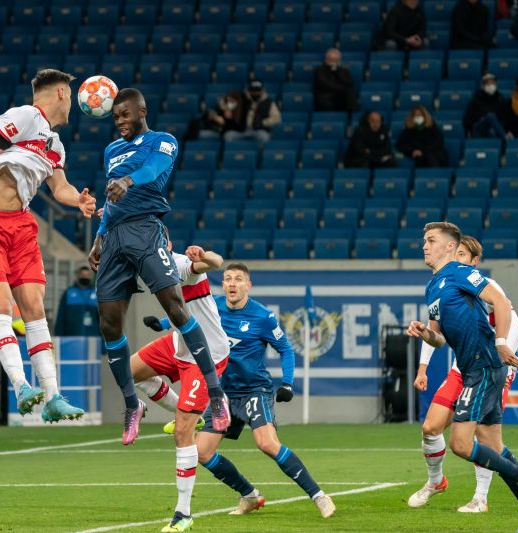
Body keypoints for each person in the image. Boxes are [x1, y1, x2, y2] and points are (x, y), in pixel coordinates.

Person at [0, 69, 94, 424]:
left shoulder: (55, 144)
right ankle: (22, 385)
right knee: (1, 302)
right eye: (69, 93)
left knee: (35, 307)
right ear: (59, 93)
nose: (72, 100)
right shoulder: (23, 116)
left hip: (21, 227)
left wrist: (77, 201)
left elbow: (60, 188)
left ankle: (53, 395)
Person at [88, 87, 231, 447]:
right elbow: (111, 200)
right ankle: (131, 403)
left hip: (146, 229)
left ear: (142, 111)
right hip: (115, 237)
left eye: (125, 114)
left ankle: (215, 396)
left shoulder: (162, 141)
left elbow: (153, 171)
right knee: (108, 323)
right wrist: (100, 235)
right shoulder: (111, 150)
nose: (119, 120)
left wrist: (127, 180)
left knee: (174, 306)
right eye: (115, 116)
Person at [407, 222, 518, 532]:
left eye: (431, 240)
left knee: (460, 443)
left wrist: (500, 344)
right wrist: (425, 333)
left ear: (448, 247)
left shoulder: (459, 272)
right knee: (493, 447)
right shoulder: (432, 286)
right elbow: (440, 338)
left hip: (483, 366)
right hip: (473, 368)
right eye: (424, 241)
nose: (424, 246)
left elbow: (499, 300)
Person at [198, 263, 335, 519]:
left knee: (267, 443)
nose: (232, 284)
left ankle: (319, 496)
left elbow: (285, 349)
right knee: (202, 451)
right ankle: (249, 495)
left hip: (254, 390)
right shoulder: (212, 306)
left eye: (238, 279)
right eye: (227, 279)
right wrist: (163, 324)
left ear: (248, 285)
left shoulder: (263, 316)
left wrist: (287, 383)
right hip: (224, 393)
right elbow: (188, 319)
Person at [130, 239, 228, 533]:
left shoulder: (180, 264)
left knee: (183, 433)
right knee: (128, 370)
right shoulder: (146, 266)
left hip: (206, 354)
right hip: (179, 344)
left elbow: (216, 262)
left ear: (165, 243)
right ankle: (186, 413)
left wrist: (203, 255)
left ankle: (183, 512)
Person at [223, 81, 281, 146]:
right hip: (241, 130)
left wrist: (263, 123)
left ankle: (259, 155)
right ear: (249, 90)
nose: (255, 93)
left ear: (262, 90)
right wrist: (228, 109)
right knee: (228, 135)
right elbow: (225, 102)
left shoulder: (268, 103)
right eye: (253, 91)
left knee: (264, 136)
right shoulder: (241, 98)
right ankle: (232, 154)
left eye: (257, 91)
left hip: (258, 130)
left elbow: (277, 118)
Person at [54, 265, 100, 336]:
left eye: (87, 275)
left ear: (90, 277)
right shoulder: (69, 293)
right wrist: (58, 335)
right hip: (71, 336)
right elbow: (61, 316)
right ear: (78, 276)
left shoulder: (96, 294)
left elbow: (102, 318)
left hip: (93, 337)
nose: (85, 277)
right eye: (82, 275)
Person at [313, 48, 358, 112]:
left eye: (336, 60)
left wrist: (337, 71)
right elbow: (326, 85)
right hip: (326, 95)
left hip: (340, 95)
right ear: (326, 60)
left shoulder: (344, 71)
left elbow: (349, 84)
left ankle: (352, 117)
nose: (334, 63)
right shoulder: (320, 70)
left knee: (350, 95)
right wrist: (342, 88)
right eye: (332, 60)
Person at [464, 73, 507, 139]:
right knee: (490, 116)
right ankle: (506, 138)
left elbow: (505, 117)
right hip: (479, 128)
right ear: (483, 86)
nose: (491, 86)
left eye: (493, 83)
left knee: (492, 132)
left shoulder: (500, 99)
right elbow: (468, 118)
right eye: (488, 84)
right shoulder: (476, 99)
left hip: (495, 129)